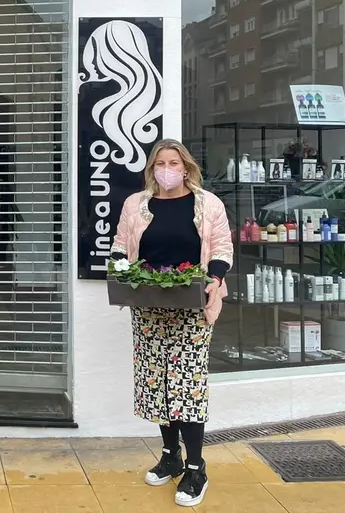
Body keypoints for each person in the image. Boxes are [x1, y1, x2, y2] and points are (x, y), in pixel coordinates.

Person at [111, 139, 232, 508]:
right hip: (148, 307)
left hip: (191, 307)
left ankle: (197, 467)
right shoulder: (136, 204)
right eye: (160, 162)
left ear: (186, 167)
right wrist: (119, 269)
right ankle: (171, 456)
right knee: (158, 383)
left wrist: (214, 277)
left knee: (187, 386)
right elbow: (121, 243)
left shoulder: (207, 203)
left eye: (174, 162)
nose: (167, 168)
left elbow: (223, 247)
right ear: (152, 169)